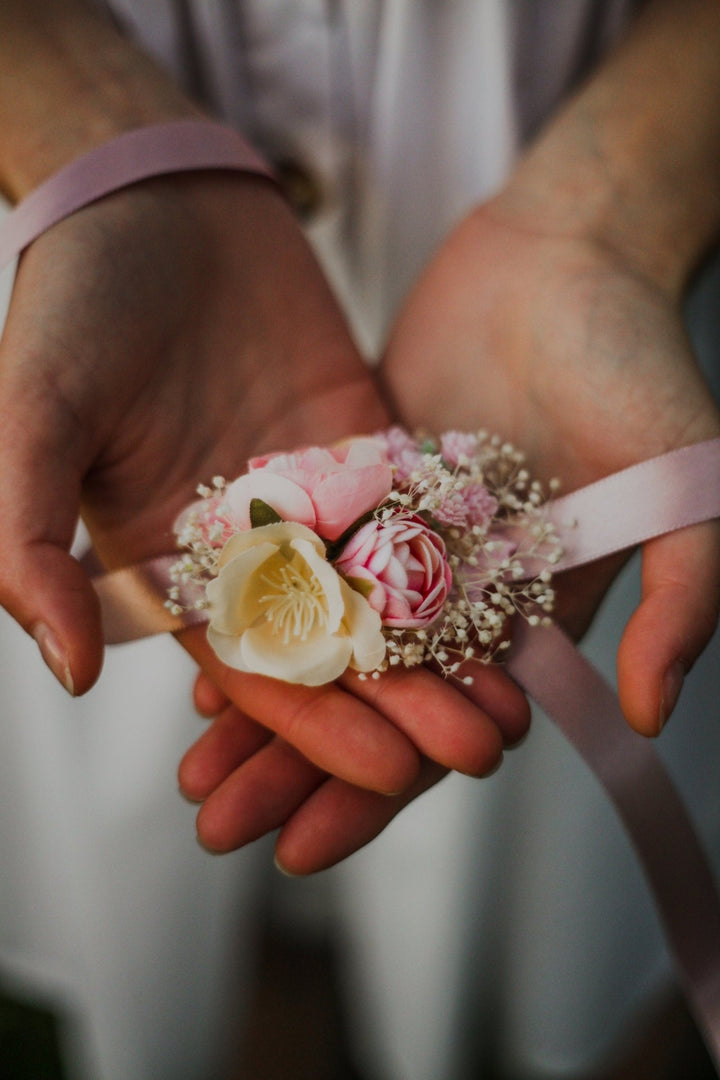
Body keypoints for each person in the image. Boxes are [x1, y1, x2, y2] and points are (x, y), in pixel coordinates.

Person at [0, 0, 718, 1077]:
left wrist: (621, 203)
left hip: (584, 168)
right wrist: (72, 114)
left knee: (531, 890)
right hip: (126, 349)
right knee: (177, 852)